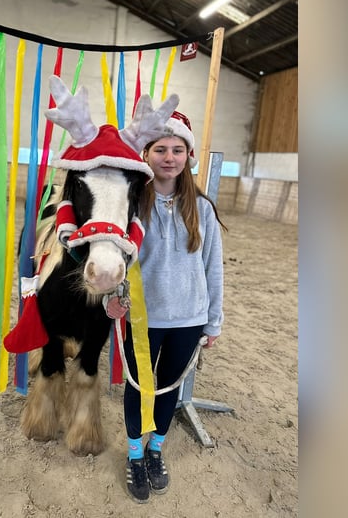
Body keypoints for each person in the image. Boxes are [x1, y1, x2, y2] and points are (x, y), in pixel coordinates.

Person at [121, 110, 226, 503]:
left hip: (189, 319)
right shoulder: (131, 204)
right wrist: (114, 304)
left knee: (169, 389)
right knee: (138, 388)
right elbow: (118, 264)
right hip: (143, 318)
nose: (169, 157)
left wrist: (212, 321)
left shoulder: (202, 209)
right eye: (160, 148)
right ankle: (133, 454)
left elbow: (212, 267)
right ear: (146, 153)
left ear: (189, 154)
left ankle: (155, 450)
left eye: (177, 149)